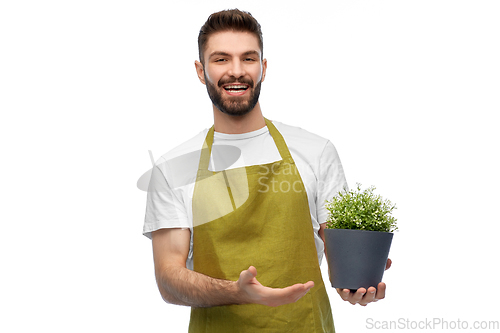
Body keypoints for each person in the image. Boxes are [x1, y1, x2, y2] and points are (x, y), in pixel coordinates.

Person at [143, 9, 390, 332]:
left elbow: (337, 256)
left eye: (248, 58)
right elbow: (168, 279)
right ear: (201, 71)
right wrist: (236, 292)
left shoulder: (316, 151)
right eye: (221, 60)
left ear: (263, 67)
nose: (236, 71)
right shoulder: (172, 169)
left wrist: (356, 284)